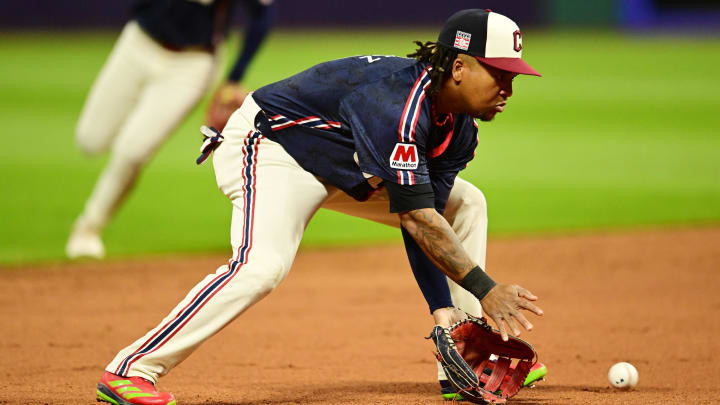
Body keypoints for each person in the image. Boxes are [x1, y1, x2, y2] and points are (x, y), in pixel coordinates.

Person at [95, 9, 545, 405]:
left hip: (344, 166)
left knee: (466, 204)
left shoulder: (459, 128)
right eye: (499, 73)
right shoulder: (396, 105)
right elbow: (416, 218)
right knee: (261, 267)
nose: (508, 87)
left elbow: (424, 213)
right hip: (273, 147)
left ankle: (462, 360)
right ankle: (131, 370)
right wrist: (486, 288)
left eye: (512, 77)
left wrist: (440, 310)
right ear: (460, 68)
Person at [66, 0, 275, 259]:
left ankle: (88, 229)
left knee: (132, 152)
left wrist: (233, 78)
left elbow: (261, 16)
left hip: (192, 62)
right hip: (138, 43)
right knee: (90, 140)